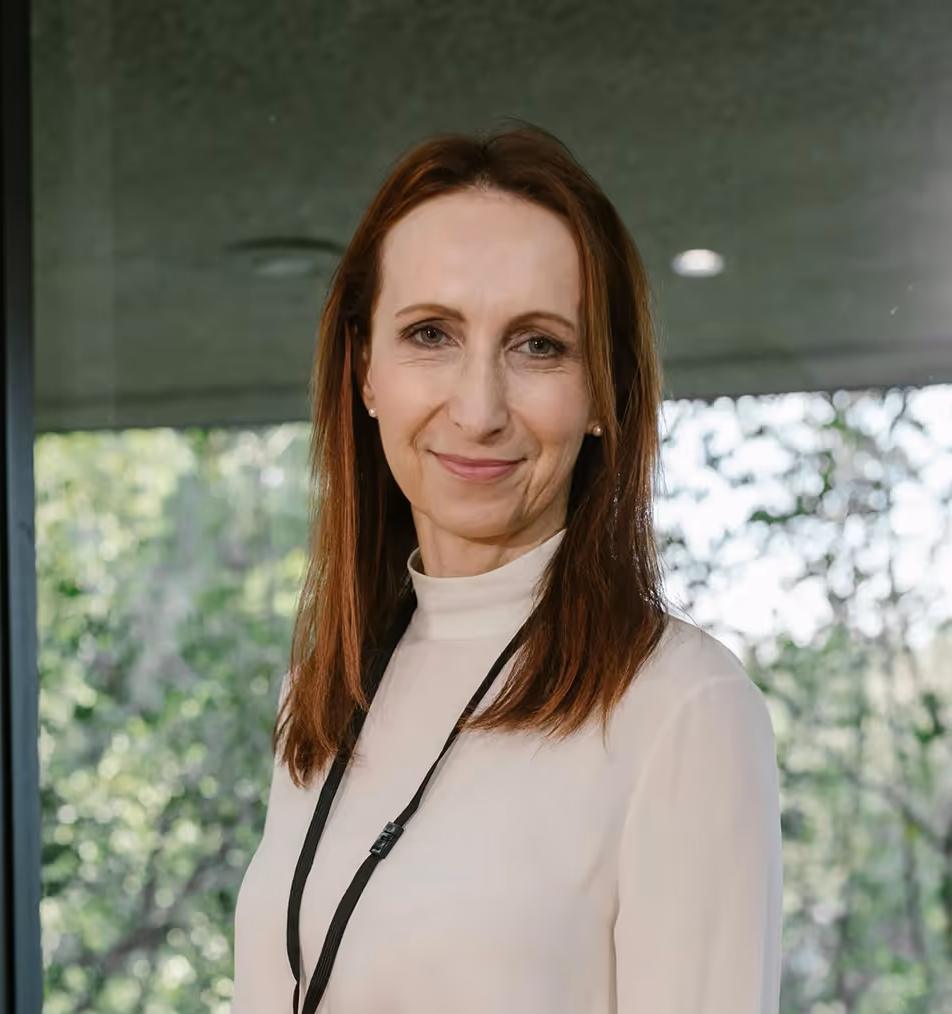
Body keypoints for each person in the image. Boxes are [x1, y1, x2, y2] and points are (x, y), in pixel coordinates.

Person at [231, 124, 782, 1014]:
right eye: (431, 334)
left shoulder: (682, 707)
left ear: (603, 390)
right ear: (364, 370)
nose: (479, 409)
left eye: (538, 345)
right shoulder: (324, 693)